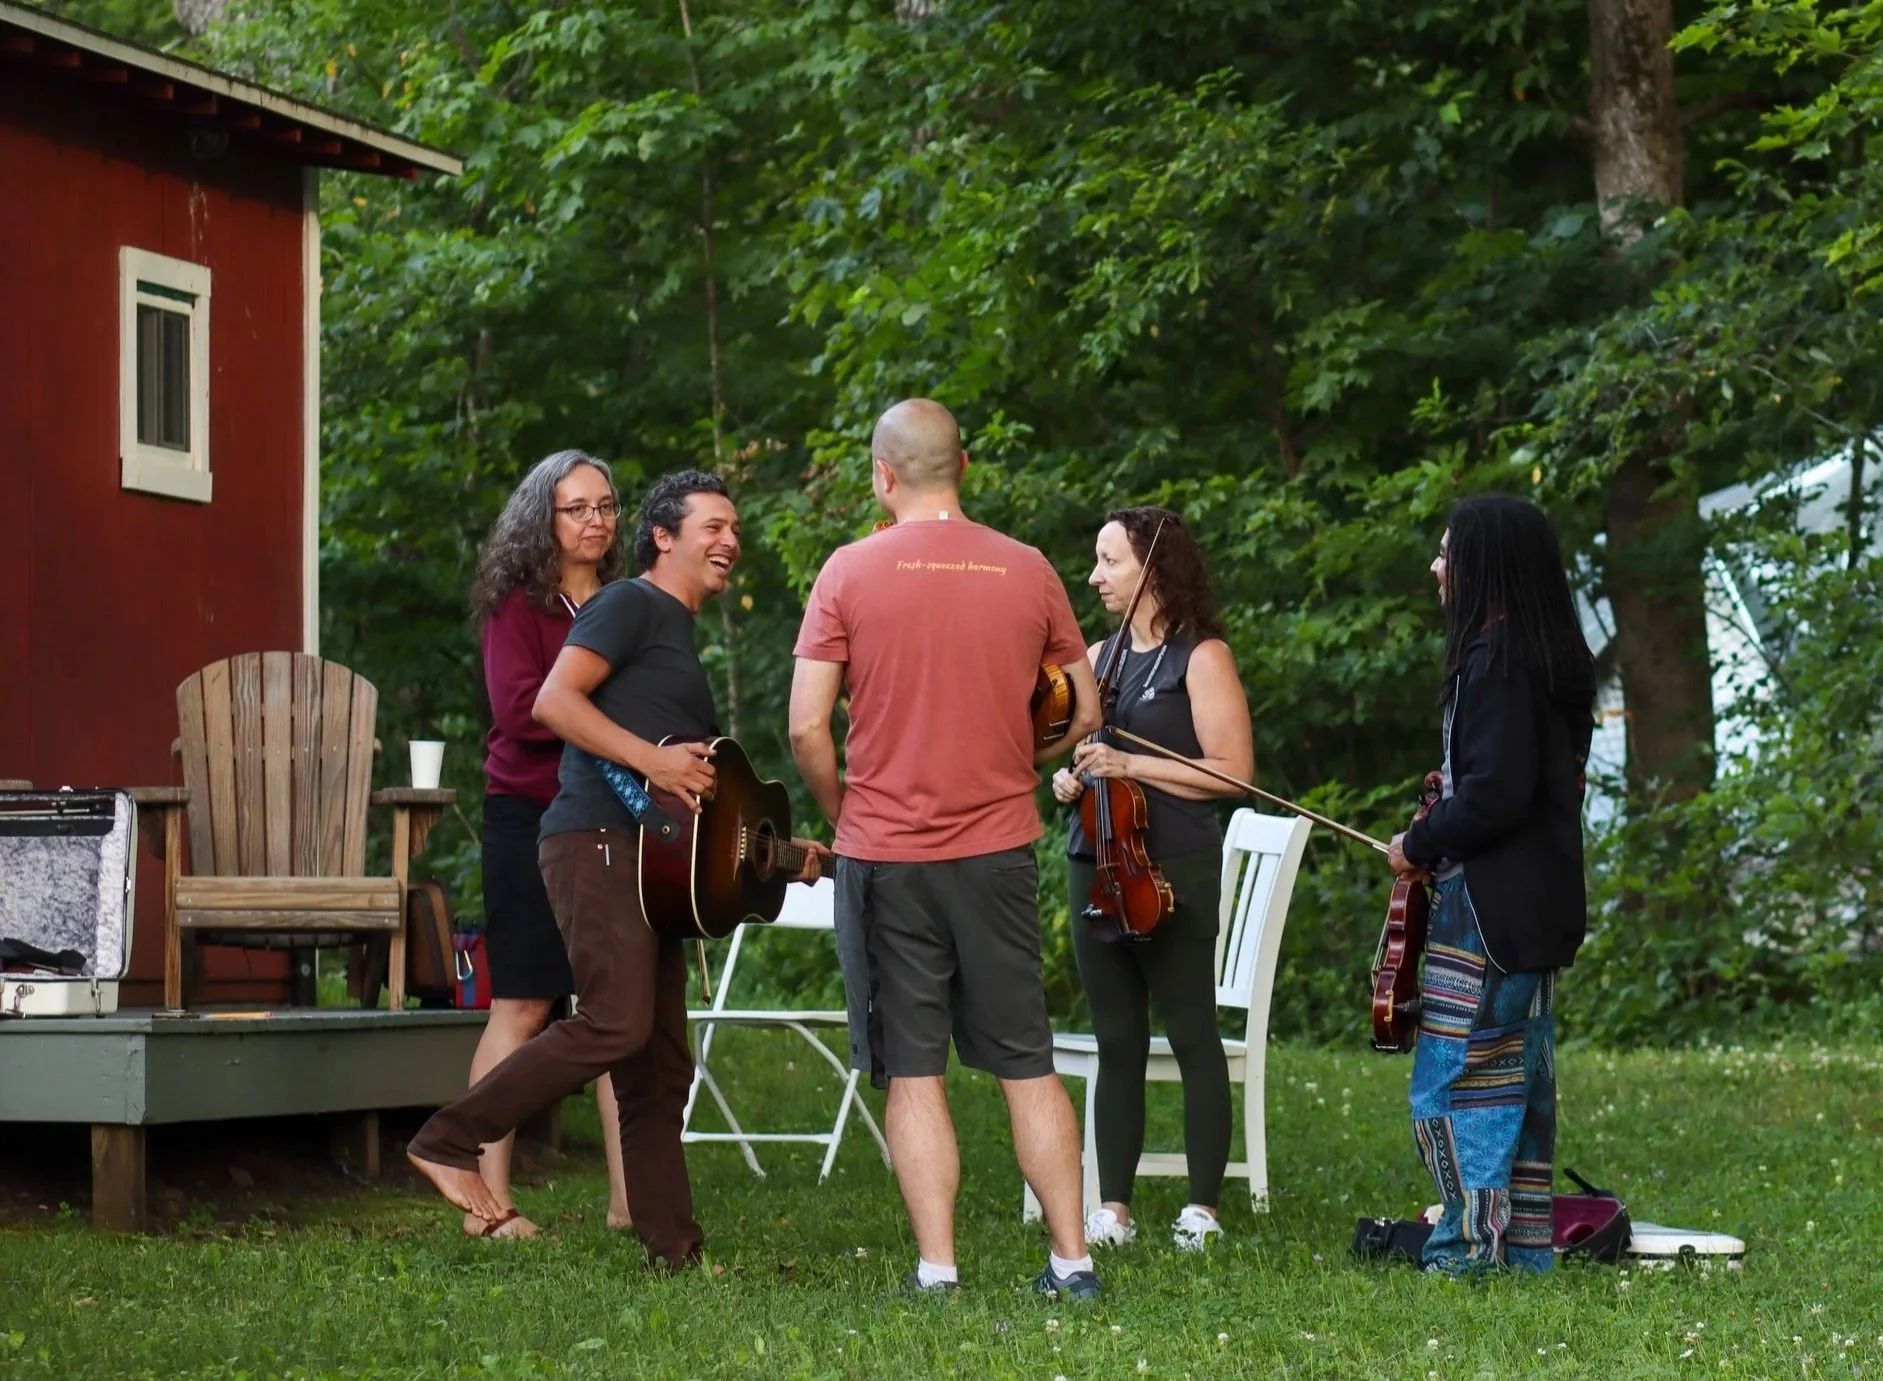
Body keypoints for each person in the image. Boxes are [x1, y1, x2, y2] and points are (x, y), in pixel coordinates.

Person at [409, 470, 828, 1269]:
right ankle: (447, 1138)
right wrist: (650, 762)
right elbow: (553, 703)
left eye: (735, 526)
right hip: (594, 844)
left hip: (657, 865)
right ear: (662, 536)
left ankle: (672, 1247)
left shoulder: (675, 630)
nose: (730, 540)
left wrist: (783, 856)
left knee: (659, 1065)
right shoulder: (628, 604)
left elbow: (696, 793)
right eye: (712, 525)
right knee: (614, 1021)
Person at [788, 398, 1104, 1299]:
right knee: (1026, 1059)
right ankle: (1071, 1260)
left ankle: (938, 1270)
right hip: (999, 847)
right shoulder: (1029, 567)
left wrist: (845, 810)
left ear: (883, 475)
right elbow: (1085, 708)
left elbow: (808, 726)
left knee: (914, 1066)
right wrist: (1023, 755)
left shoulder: (847, 571)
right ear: (962, 465)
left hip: (885, 855)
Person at [1383, 493, 1595, 1275]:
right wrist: (1454, 786)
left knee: (1458, 1076)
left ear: (1485, 565)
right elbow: (1525, 779)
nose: (1437, 567)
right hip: (1532, 905)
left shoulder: (1497, 658)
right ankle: (1522, 1250)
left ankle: (1467, 1249)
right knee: (1519, 1080)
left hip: (1490, 910)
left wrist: (1418, 841)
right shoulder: (1543, 654)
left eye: (1448, 552)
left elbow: (1497, 796)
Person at [1050, 507, 1254, 1252]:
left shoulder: (1201, 658)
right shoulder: (1098, 658)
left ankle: (1202, 1206)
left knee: (1192, 1033)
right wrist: (1069, 781)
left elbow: (1232, 773)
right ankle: (1114, 1207)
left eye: (1109, 561)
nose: (1095, 576)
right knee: (1117, 1039)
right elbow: (1074, 754)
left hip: (1173, 867)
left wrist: (1132, 764)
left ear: (1154, 571)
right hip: (1093, 862)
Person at [465, 449, 631, 1239]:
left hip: (614, 821)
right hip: (528, 817)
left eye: (605, 506)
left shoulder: (626, 602)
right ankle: (485, 1206)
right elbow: (522, 707)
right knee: (524, 1004)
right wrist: (607, 716)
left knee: (617, 1008)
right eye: (577, 508)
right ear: (543, 517)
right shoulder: (516, 607)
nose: (595, 520)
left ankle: (631, 1205)